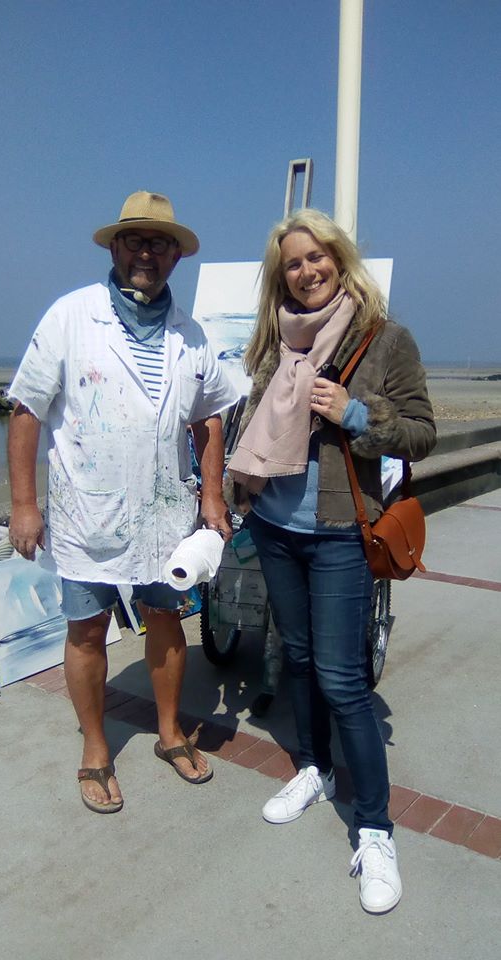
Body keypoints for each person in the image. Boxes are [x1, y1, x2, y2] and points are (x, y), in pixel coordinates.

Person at [227, 208, 435, 914]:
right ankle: (314, 768)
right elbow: (255, 427)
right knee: (302, 662)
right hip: (277, 527)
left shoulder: (386, 339)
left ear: (340, 261)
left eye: (318, 257)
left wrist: (354, 414)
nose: (307, 270)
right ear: (280, 275)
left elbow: (423, 434)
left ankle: (375, 828)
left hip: (343, 533)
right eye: (293, 262)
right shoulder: (273, 343)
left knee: (345, 682)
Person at [8, 190, 239, 813]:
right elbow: (27, 410)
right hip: (88, 514)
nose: (147, 252)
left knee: (167, 623)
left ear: (175, 256)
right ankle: (94, 748)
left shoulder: (191, 334)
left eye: (159, 243)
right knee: (85, 630)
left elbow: (211, 416)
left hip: (165, 517)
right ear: (115, 247)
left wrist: (212, 494)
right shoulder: (71, 316)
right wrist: (25, 505)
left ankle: (168, 733)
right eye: (135, 240)